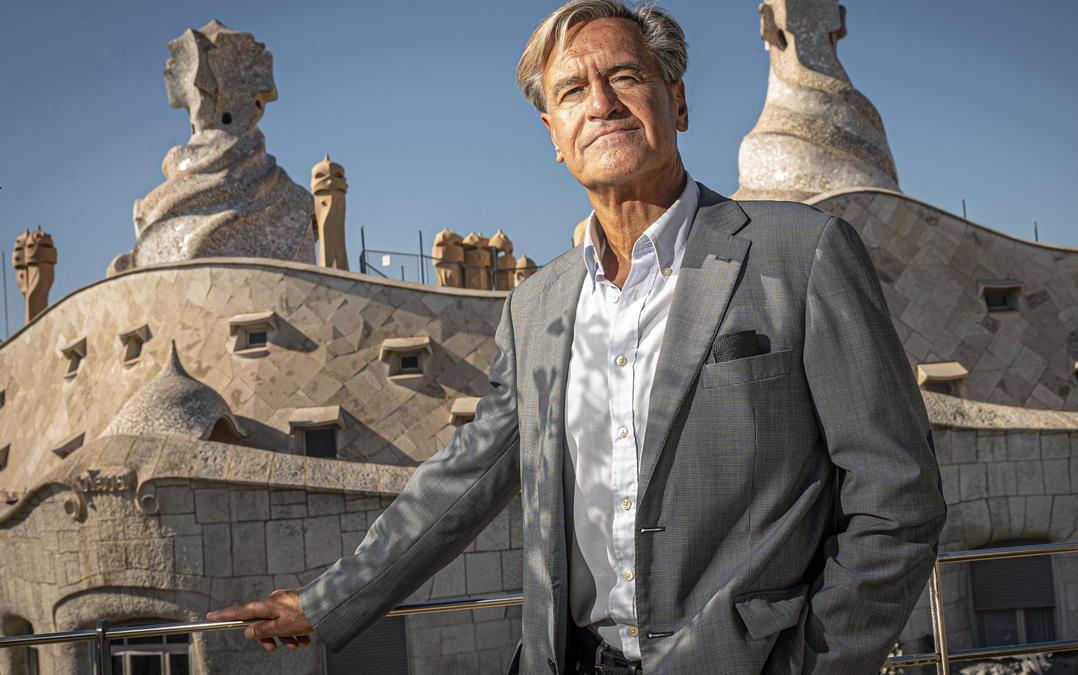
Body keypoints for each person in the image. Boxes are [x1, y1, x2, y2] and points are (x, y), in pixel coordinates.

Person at [207, 1, 947, 672]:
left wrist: (814, 664)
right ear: (554, 136)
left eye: (625, 77)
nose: (601, 104)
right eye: (572, 91)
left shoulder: (800, 254)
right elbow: (461, 482)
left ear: (677, 101)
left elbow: (898, 497)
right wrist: (326, 602)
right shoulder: (536, 306)